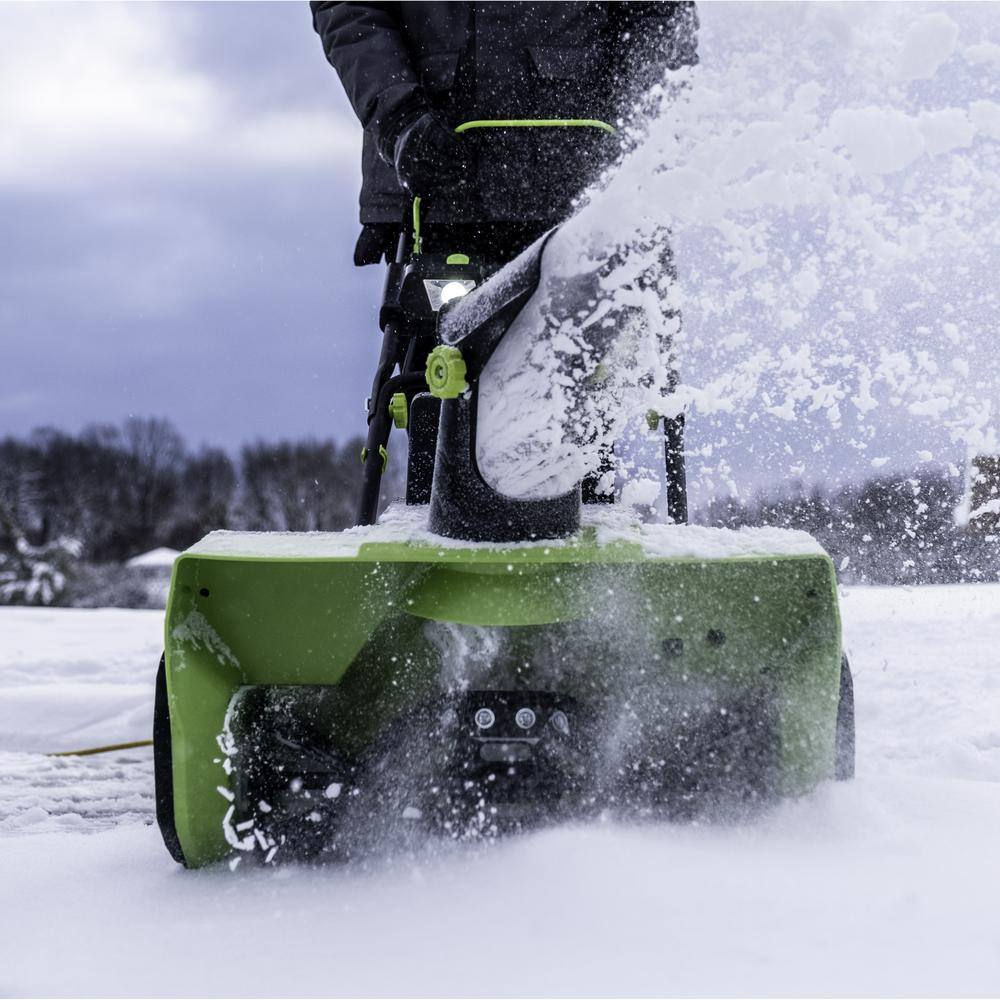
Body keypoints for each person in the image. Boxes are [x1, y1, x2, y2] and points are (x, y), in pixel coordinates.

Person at [310, 2, 698, 267]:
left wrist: (642, 133)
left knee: (618, 354)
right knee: (433, 357)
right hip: (439, 193)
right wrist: (400, 119)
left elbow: (660, 20)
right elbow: (349, 10)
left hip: (591, 201)